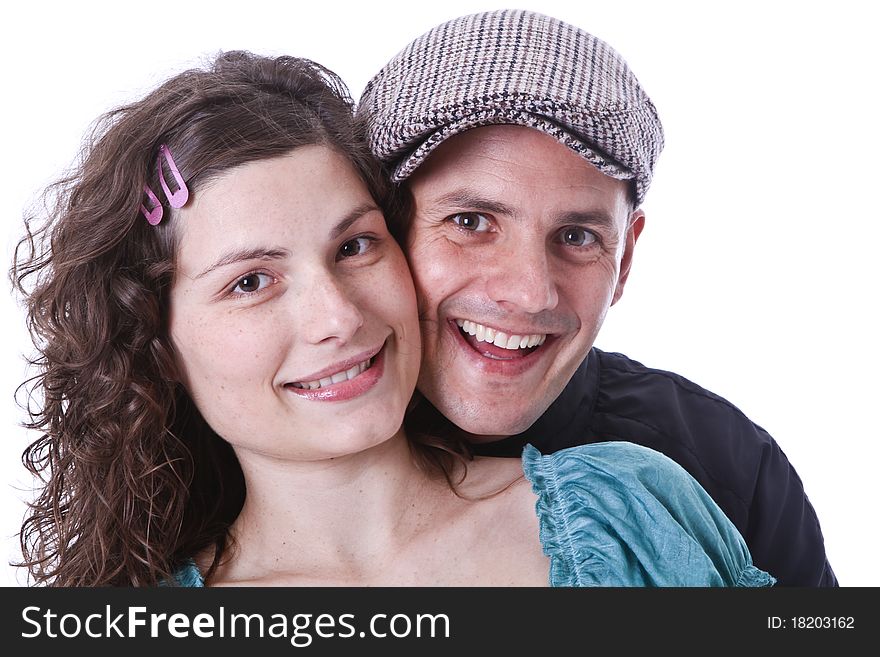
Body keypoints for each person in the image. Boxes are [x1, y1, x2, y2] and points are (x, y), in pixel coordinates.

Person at [10, 50, 773, 588]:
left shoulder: (633, 509)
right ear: (158, 343)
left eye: (355, 245)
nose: (336, 316)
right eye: (250, 281)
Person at [356, 9, 835, 586]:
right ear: (379, 231)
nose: (531, 291)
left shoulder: (727, 465)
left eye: (578, 236)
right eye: (470, 221)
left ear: (625, 259)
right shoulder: (266, 445)